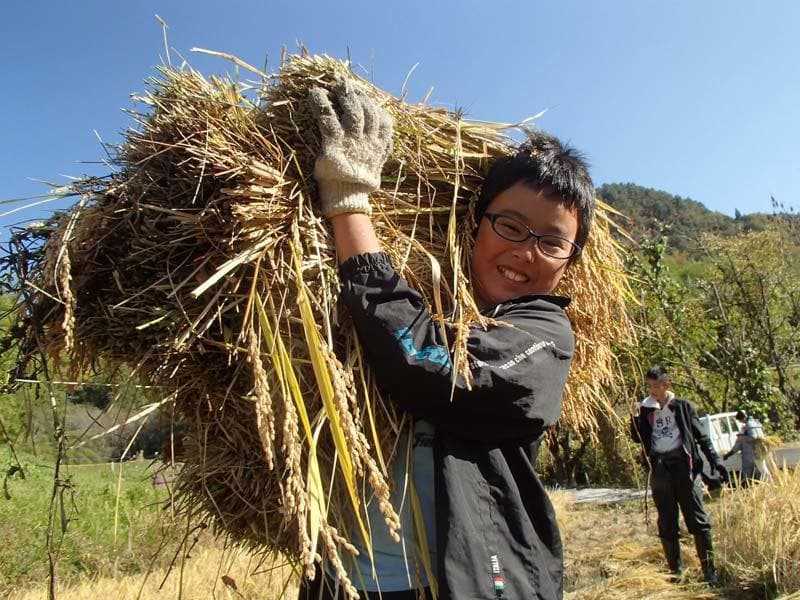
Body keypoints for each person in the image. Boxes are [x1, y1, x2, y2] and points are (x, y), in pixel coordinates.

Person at [300, 78, 595, 599]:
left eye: (553, 242)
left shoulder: (545, 336)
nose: (528, 251)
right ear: (474, 223)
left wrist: (349, 201)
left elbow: (433, 366)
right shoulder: (421, 294)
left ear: (570, 261)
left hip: (464, 583)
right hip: (340, 580)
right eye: (510, 225)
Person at [630, 366, 729, 585]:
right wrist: (635, 416)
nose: (653, 391)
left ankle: (709, 571)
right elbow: (638, 438)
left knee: (698, 520)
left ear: (668, 384)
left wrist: (717, 463)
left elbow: (701, 437)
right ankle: (676, 572)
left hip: (684, 467)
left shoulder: (683, 407)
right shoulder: (646, 410)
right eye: (649, 387)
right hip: (661, 469)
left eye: (657, 386)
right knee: (666, 521)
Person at [725, 410, 769, 484]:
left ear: (743, 418)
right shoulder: (757, 423)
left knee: (747, 473)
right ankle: (768, 484)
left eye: (740, 420)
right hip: (760, 452)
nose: (740, 422)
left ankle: (747, 486)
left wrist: (728, 454)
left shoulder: (747, 427)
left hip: (749, 455)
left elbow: (740, 444)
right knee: (762, 470)